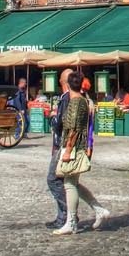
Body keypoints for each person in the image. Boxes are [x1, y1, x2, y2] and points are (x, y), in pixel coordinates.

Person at [53, 70, 111, 235]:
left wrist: (68, 150)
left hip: (75, 147)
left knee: (69, 184)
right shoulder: (84, 100)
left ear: (68, 85)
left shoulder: (76, 102)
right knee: (75, 184)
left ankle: (71, 222)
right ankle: (99, 210)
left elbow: (74, 129)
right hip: (80, 146)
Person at [45, 67, 77, 229]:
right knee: (64, 182)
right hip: (67, 144)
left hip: (63, 144)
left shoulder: (66, 98)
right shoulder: (78, 97)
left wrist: (52, 118)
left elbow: (61, 124)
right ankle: (63, 217)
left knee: (53, 180)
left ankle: (68, 214)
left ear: (63, 82)